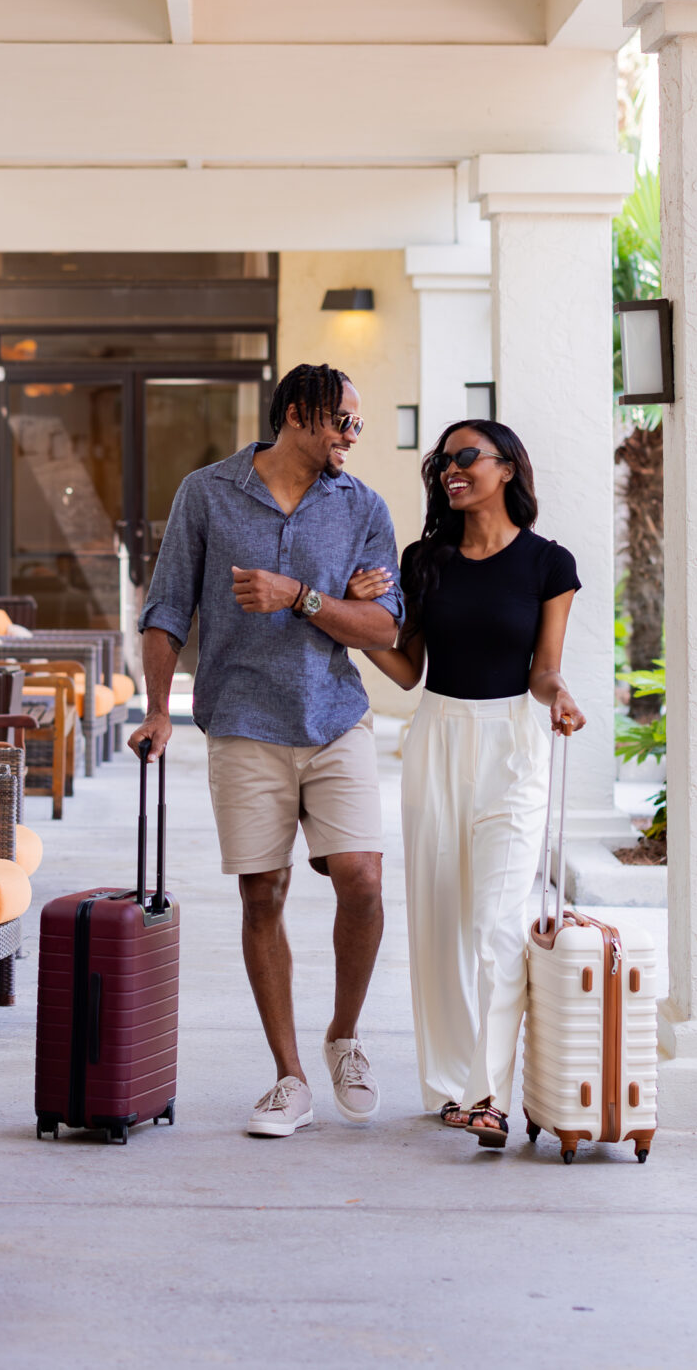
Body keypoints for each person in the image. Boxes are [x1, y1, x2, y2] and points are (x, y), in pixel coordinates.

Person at [130, 363, 404, 1138]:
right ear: (295, 414)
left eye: (357, 424)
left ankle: (344, 1034)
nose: (351, 435)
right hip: (243, 721)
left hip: (335, 717)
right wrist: (157, 709)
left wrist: (305, 597)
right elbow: (167, 606)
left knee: (362, 878)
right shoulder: (208, 493)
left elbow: (385, 628)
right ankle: (289, 1077)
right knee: (264, 896)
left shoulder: (363, 508)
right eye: (341, 421)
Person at [348, 419, 584, 1148]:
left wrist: (561, 696)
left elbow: (543, 668)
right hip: (437, 739)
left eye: (466, 457)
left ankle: (490, 1093)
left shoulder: (550, 564)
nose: (451, 470)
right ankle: (450, 1086)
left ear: (508, 467)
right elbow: (409, 667)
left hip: (514, 742)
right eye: (443, 462)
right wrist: (356, 623)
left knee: (495, 926)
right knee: (440, 920)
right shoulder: (427, 559)